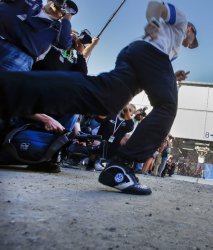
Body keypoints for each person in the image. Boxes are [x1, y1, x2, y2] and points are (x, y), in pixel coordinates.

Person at [0, 1, 198, 195]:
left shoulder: (171, 46)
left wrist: (172, 76)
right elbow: (156, 6)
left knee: (103, 98)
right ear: (189, 30)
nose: (190, 45)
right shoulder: (181, 21)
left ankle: (11, 90)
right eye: (192, 40)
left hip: (135, 54)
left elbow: (152, 73)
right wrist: (154, 22)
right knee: (167, 106)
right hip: (150, 54)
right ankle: (120, 167)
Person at [0, 0, 74, 71]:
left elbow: (65, 43)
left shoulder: (58, 29)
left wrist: (66, 19)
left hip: (20, 56)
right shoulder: (32, 3)